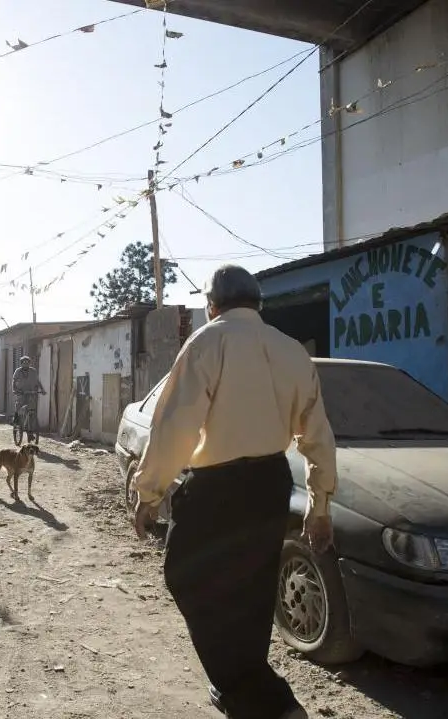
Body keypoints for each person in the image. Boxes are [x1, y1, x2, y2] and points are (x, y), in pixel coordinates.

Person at [131, 264, 337, 719]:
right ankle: (244, 690)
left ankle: (259, 696)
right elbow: (318, 435)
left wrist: (149, 493)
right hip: (270, 483)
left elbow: (174, 427)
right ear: (258, 303)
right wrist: (319, 504)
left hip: (218, 488)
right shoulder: (291, 351)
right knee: (251, 589)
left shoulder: (208, 341)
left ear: (211, 305)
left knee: (184, 575)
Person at [10, 355, 45, 426]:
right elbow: (14, 381)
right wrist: (14, 390)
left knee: (31, 409)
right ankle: (16, 417)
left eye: (27, 363)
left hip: (31, 392)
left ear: (29, 363)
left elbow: (37, 381)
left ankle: (30, 430)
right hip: (21, 392)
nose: (26, 364)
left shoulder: (33, 371)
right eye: (24, 363)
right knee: (18, 404)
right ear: (21, 363)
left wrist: (42, 389)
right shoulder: (18, 371)